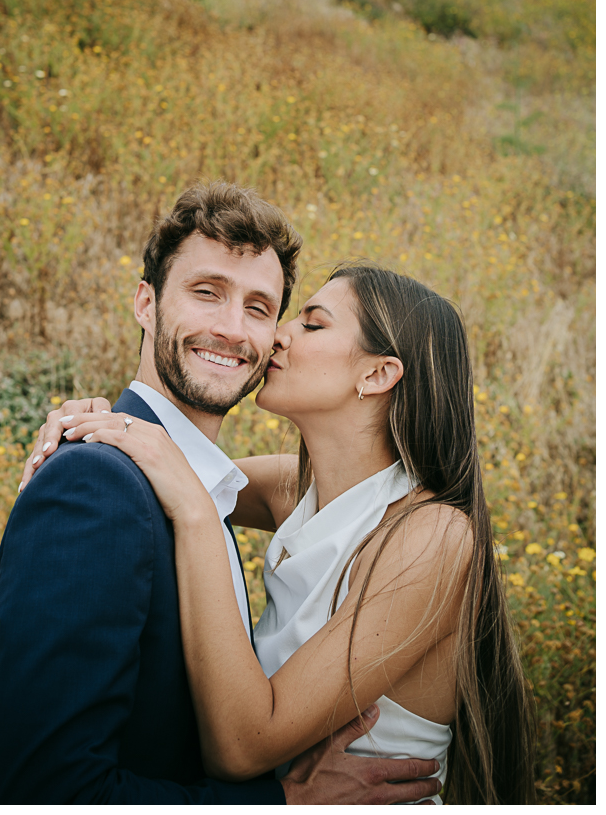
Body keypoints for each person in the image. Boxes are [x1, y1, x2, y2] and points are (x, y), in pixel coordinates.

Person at [0, 182, 443, 804]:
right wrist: (280, 803)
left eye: (261, 308)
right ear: (146, 303)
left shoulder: (204, 487)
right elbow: (41, 790)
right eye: (207, 293)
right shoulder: (93, 485)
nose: (237, 330)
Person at [29, 262, 536, 803]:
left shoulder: (432, 535)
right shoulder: (294, 487)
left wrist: (197, 513)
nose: (278, 335)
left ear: (377, 375)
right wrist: (93, 421)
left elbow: (242, 748)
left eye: (313, 325)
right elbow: (151, 474)